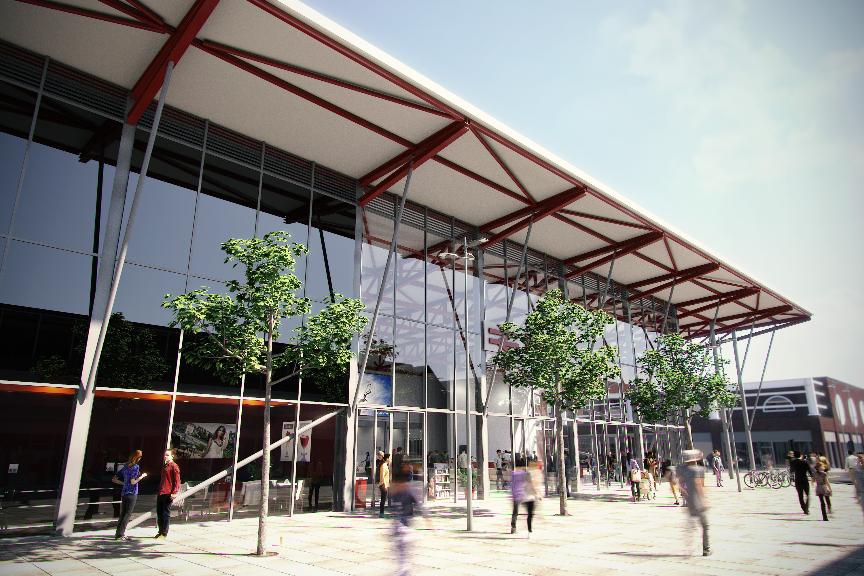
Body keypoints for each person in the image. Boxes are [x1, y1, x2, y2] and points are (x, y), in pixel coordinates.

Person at [391, 462, 429, 576]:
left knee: (402, 551)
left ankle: (404, 570)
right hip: (400, 525)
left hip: (404, 526)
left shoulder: (407, 490)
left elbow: (420, 506)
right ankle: (404, 569)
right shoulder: (399, 491)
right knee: (401, 551)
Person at [678, 449, 710, 556]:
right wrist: (703, 499)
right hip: (698, 502)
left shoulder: (681, 469)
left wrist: (685, 494)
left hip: (689, 502)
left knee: (691, 525)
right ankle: (706, 549)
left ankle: (689, 545)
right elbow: (699, 485)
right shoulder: (698, 470)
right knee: (705, 525)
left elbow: (680, 484)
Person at [112, 450, 147, 540]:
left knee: (123, 514)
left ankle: (118, 534)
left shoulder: (125, 466)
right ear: (138, 458)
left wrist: (124, 484)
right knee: (127, 514)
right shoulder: (135, 467)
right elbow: (133, 482)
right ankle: (120, 535)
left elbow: (114, 479)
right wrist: (142, 476)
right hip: (132, 493)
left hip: (124, 492)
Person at [510, 457, 541, 536]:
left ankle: (513, 527)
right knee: (529, 513)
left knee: (515, 512)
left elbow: (512, 484)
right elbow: (530, 483)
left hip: (515, 495)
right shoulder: (525, 474)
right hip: (524, 495)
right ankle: (529, 528)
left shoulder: (513, 473)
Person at [155, 449, 181, 539]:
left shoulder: (174, 466)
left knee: (165, 513)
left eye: (167, 455)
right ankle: (160, 531)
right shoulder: (165, 466)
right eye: (165, 455)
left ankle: (164, 533)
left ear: (172, 456)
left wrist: (174, 492)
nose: (165, 456)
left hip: (168, 493)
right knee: (159, 513)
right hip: (161, 492)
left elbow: (177, 481)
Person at [789, 451, 814, 515]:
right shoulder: (805, 462)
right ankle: (806, 508)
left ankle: (804, 508)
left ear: (794, 455)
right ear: (800, 455)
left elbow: (791, 471)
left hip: (797, 480)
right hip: (804, 479)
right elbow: (810, 471)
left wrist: (791, 479)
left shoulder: (793, 462)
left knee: (800, 496)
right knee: (808, 495)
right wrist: (812, 478)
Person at [813, 457, 832, 521]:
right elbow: (827, 482)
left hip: (818, 488)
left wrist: (813, 485)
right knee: (827, 499)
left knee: (822, 502)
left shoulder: (815, 473)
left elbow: (812, 481)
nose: (823, 467)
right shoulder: (824, 474)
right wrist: (830, 489)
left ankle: (824, 516)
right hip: (824, 487)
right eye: (822, 466)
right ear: (819, 467)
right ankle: (829, 509)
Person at [378, 453, 391, 518]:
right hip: (383, 484)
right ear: (387, 459)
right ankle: (381, 513)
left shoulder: (385, 465)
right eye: (389, 458)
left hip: (385, 484)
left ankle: (382, 513)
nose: (390, 460)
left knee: (383, 499)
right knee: (383, 499)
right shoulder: (383, 465)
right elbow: (382, 476)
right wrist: (384, 485)